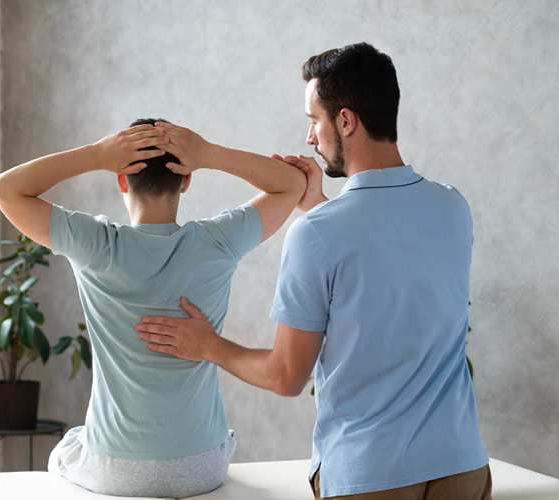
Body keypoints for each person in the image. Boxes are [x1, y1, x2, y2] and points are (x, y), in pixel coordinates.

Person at [136, 43, 492, 499]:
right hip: (462, 466)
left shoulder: (319, 234)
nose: (310, 138)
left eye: (313, 121)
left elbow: (286, 376)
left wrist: (208, 345)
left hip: (372, 477)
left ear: (346, 121)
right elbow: (385, 255)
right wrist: (317, 205)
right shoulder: (451, 207)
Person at [0, 118, 306, 497]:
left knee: (70, 445)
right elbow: (292, 183)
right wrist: (208, 153)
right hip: (202, 466)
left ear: (121, 180)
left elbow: (4, 189)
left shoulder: (95, 246)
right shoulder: (217, 242)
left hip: (115, 469)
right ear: (186, 180)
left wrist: (95, 154)